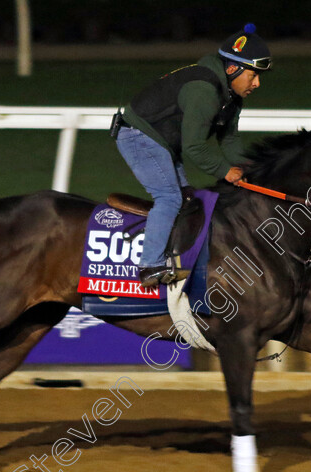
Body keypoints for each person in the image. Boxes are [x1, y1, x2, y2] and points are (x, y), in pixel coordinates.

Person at [115, 23, 272, 287]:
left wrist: (250, 168)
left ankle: (180, 258)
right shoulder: (204, 91)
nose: (257, 83)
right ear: (233, 68)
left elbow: (229, 139)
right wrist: (226, 171)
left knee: (188, 199)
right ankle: (149, 267)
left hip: (162, 140)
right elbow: (195, 148)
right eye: (253, 75)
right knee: (169, 197)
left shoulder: (231, 96)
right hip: (137, 135)